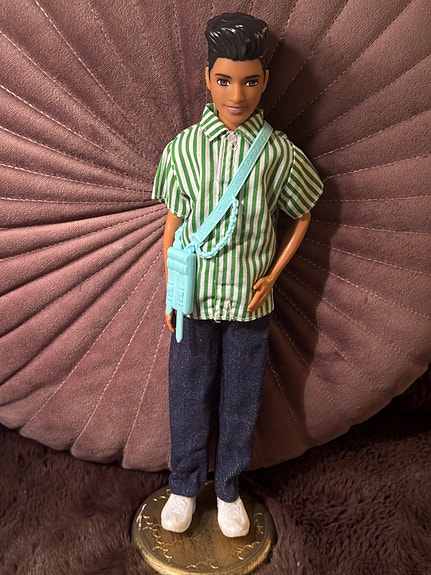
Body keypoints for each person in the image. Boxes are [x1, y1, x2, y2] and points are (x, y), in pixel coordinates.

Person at [152, 12, 323, 538]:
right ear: (207, 78)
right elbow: (173, 223)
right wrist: (171, 288)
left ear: (264, 81)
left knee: (241, 399)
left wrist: (272, 275)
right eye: (224, 80)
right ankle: (184, 485)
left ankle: (228, 488)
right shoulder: (183, 149)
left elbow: (303, 213)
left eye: (249, 81)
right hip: (195, 299)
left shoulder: (276, 152)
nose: (236, 94)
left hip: (250, 302)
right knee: (187, 393)